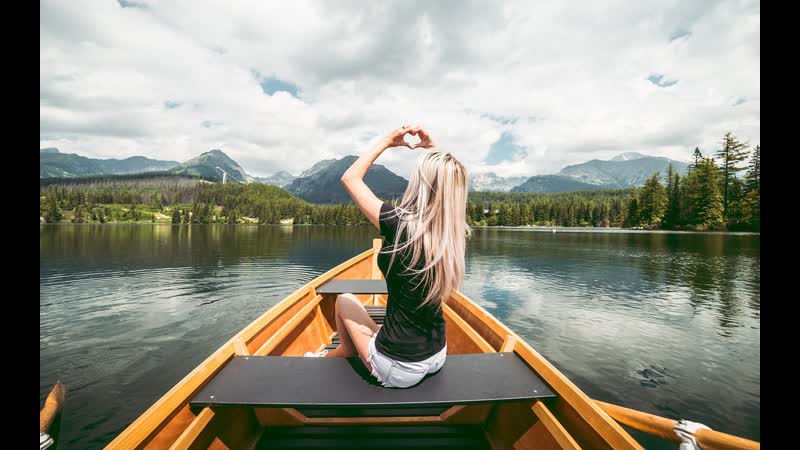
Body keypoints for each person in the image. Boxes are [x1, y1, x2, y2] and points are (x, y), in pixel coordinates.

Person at [305, 125, 471, 389]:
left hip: (399, 368)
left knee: (345, 301)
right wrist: (434, 149)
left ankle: (338, 354)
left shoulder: (399, 223)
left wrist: (387, 141)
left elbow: (351, 178)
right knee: (382, 325)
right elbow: (448, 180)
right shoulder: (452, 234)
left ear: (421, 184)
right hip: (437, 355)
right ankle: (344, 353)